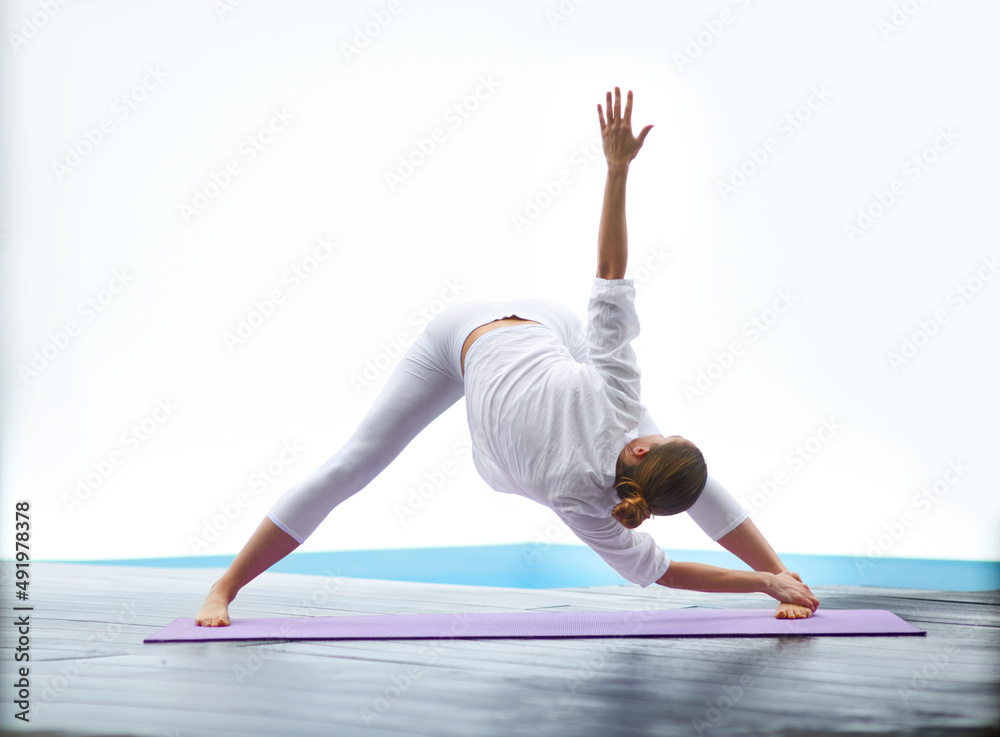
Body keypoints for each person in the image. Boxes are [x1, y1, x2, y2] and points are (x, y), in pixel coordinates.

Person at [195, 87, 820, 627]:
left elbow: (610, 274)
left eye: (657, 440)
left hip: (473, 341)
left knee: (352, 464)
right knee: (356, 464)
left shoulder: (616, 410)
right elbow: (659, 572)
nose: (655, 433)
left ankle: (224, 588)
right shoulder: (596, 508)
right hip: (510, 338)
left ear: (638, 450)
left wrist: (617, 170)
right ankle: (784, 575)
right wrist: (763, 584)